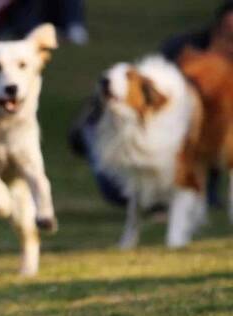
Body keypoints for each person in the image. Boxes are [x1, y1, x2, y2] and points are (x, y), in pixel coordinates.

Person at [71, 1, 233, 208]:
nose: (230, 45)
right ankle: (88, 131)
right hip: (142, 130)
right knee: (119, 189)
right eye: (228, 36)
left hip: (196, 144)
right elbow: (147, 92)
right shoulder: (183, 50)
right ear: (216, 30)